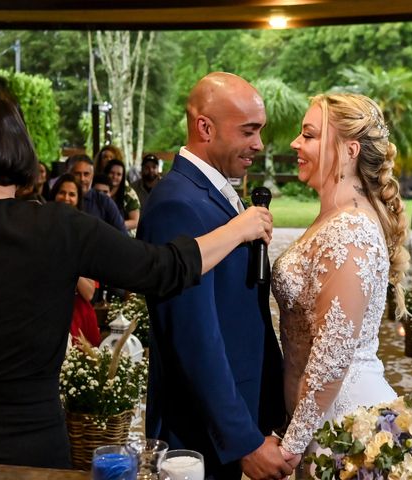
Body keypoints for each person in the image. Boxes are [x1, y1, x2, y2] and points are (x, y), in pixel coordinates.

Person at [0, 86, 273, 468]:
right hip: (30, 447)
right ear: (18, 145)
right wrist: (238, 229)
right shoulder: (59, 227)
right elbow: (163, 269)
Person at [138, 72, 292, 480]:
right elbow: (195, 340)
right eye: (249, 130)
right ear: (205, 127)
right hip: (197, 434)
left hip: (233, 413)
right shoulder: (178, 205)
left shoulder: (213, 191)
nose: (258, 144)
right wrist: (242, 440)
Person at [272, 93, 408, 471]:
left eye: (309, 135)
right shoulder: (333, 217)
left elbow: (332, 355)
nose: (296, 144)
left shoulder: (349, 229)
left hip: (341, 425)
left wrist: (292, 446)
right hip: (315, 415)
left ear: (349, 150)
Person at [50, 174, 101, 347]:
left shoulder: (85, 235)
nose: (66, 198)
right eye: (61, 192)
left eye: (72, 194)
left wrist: (68, 257)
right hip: (46, 312)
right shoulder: (40, 229)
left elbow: (88, 293)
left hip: (78, 316)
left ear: (78, 199)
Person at [69, 154, 128, 234]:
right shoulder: (61, 199)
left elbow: (122, 234)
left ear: (92, 175)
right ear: (69, 174)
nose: (82, 179)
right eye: (77, 174)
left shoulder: (104, 201)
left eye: (86, 174)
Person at [104, 159, 141, 232]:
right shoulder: (99, 188)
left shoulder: (129, 193)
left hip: (124, 234)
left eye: (118, 174)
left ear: (123, 176)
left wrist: (115, 225)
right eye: (112, 173)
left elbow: (135, 222)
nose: (114, 176)